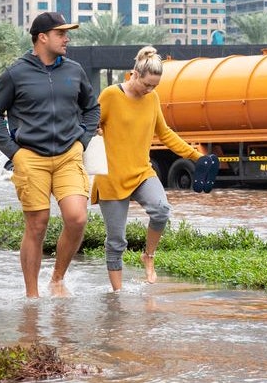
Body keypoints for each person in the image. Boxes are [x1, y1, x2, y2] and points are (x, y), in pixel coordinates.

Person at [0, 11, 100, 298]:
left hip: (68, 155)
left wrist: (82, 140)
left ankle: (57, 279)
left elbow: (92, 107)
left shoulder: (74, 70)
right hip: (30, 157)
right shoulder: (15, 73)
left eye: (66, 33)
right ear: (42, 37)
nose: (67, 38)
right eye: (61, 33)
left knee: (77, 218)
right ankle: (32, 295)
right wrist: (14, 152)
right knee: (37, 225)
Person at [91, 46, 215, 291]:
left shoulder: (153, 98)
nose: (150, 90)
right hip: (112, 176)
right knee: (116, 241)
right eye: (147, 85)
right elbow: (91, 124)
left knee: (161, 210)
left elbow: (165, 134)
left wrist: (195, 156)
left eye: (154, 86)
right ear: (134, 74)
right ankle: (118, 296)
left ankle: (148, 256)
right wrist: (98, 130)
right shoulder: (110, 95)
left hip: (141, 172)